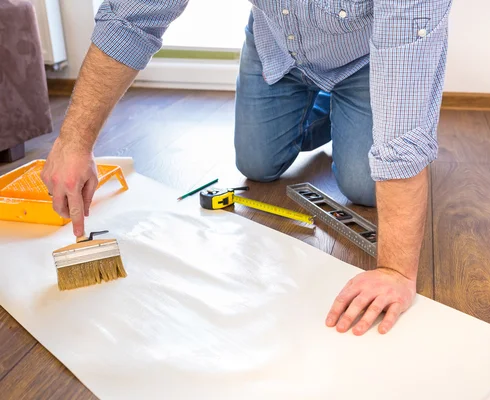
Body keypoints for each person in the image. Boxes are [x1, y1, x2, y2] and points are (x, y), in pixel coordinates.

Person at [42, 0, 452, 336]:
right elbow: (130, 18)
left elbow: (404, 128)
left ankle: (354, 110)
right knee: (257, 164)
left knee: (363, 187)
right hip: (279, 44)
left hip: (368, 60)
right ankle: (339, 116)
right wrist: (74, 141)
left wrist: (396, 270)